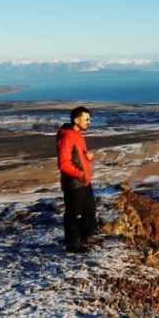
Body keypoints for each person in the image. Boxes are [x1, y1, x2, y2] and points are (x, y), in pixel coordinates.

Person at [57, 106, 100, 253]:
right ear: (76, 120)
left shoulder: (78, 134)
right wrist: (79, 174)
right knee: (73, 214)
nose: (89, 122)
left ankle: (86, 236)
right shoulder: (67, 137)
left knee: (89, 210)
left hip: (84, 181)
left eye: (89, 119)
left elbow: (79, 158)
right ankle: (72, 244)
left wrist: (89, 157)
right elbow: (63, 163)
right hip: (74, 183)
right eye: (86, 119)